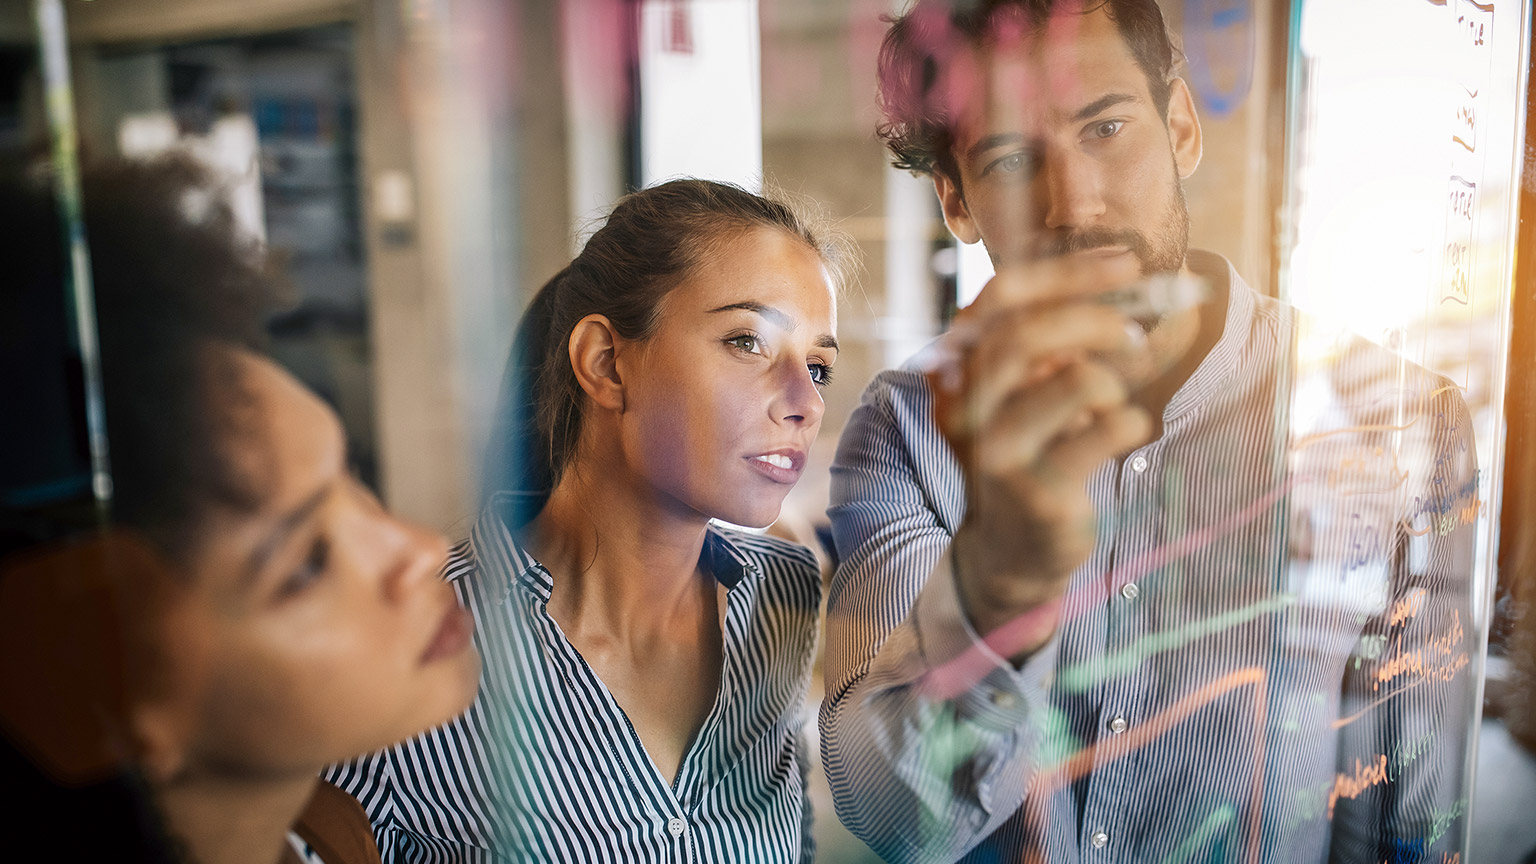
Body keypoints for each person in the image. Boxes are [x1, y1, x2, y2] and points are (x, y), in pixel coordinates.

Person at [820, 1, 1477, 861]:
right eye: (1013, 159)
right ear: (957, 200)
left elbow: (1412, 821)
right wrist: (1001, 582)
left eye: (1107, 127)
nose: (1074, 204)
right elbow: (902, 824)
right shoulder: (907, 426)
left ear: (1180, 128)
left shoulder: (1398, 419)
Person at [327, 179, 851, 862]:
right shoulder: (412, 645)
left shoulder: (782, 596)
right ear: (606, 363)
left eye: (818, 367)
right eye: (748, 342)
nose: (804, 402)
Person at [0, 157, 481, 864]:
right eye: (307, 564)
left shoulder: (336, 836)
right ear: (105, 680)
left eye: (354, 478)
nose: (422, 549)